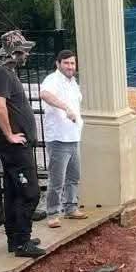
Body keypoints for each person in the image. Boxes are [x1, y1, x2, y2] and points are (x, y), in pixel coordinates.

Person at [0, 30, 45, 259]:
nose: (26, 55)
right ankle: (22, 243)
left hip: (18, 145)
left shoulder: (6, 72)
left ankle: (17, 239)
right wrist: (10, 135)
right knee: (30, 192)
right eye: (22, 51)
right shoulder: (0, 73)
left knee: (14, 192)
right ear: (12, 52)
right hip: (13, 146)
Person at [40, 50, 87, 228]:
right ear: (58, 63)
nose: (70, 66)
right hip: (59, 139)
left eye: (72, 63)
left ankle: (71, 207)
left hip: (74, 137)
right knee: (57, 180)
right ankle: (53, 213)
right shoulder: (53, 80)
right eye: (66, 63)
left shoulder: (73, 82)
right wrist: (65, 107)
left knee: (74, 176)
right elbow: (44, 94)